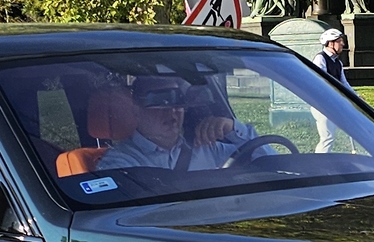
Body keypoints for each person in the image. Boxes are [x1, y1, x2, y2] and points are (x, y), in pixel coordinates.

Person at [96, 74, 258, 172]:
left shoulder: (208, 148)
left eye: (177, 100)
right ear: (136, 110)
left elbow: (270, 162)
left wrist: (233, 128)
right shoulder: (121, 163)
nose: (171, 110)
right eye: (159, 101)